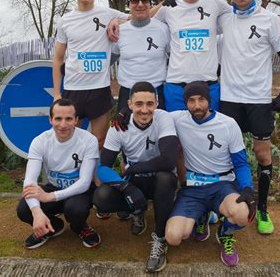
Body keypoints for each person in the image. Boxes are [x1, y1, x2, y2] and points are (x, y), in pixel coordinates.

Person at [218, 0, 280, 235]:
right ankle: (231, 205)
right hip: (229, 100)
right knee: (228, 157)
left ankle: (262, 209)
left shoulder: (270, 19)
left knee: (262, 154)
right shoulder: (224, 17)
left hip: (258, 100)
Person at [165, 81, 256, 267]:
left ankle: (225, 233)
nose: (197, 105)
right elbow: (150, 115)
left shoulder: (228, 124)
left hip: (223, 185)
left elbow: (240, 163)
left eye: (202, 99)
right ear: (185, 103)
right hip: (193, 187)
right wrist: (125, 113)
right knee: (173, 237)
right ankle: (203, 215)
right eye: (191, 100)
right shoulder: (177, 118)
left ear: (210, 100)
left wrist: (247, 188)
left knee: (241, 214)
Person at [93, 81, 179, 272]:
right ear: (130, 104)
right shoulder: (118, 126)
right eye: (139, 104)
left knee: (166, 178)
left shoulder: (163, 118)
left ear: (157, 103)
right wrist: (126, 187)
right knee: (101, 197)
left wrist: (133, 169)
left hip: (158, 180)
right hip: (136, 182)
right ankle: (137, 211)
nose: (144, 110)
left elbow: (169, 161)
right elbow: (103, 167)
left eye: (150, 104)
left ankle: (160, 238)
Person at [53, 0, 129, 149]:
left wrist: (117, 21)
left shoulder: (108, 14)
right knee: (69, 141)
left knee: (99, 141)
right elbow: (57, 59)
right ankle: (71, 176)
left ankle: (94, 176)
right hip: (73, 89)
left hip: (100, 89)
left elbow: (138, 18)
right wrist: (57, 94)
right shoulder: (64, 21)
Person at [16, 98, 100, 249]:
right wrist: (36, 212)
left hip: (80, 191)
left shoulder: (89, 140)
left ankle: (80, 227)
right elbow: (29, 181)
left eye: (68, 119)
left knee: (75, 209)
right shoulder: (40, 141)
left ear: (76, 120)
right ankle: (52, 227)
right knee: (23, 209)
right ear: (50, 120)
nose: (63, 125)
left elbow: (85, 182)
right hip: (54, 187)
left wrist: (50, 197)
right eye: (58, 119)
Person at [154, 0, 230, 112]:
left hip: (208, 87)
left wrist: (278, 20)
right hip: (177, 88)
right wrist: (117, 22)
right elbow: (142, 22)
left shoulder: (215, 4)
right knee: (175, 135)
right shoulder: (168, 8)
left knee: (208, 134)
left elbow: (245, 14)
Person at [112, 0, 170, 111]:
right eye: (134, 0)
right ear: (129, 4)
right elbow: (108, 61)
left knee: (160, 130)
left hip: (156, 92)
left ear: (150, 4)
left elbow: (175, 58)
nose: (140, 4)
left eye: (144, 0)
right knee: (126, 130)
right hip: (127, 93)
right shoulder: (119, 31)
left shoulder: (163, 29)